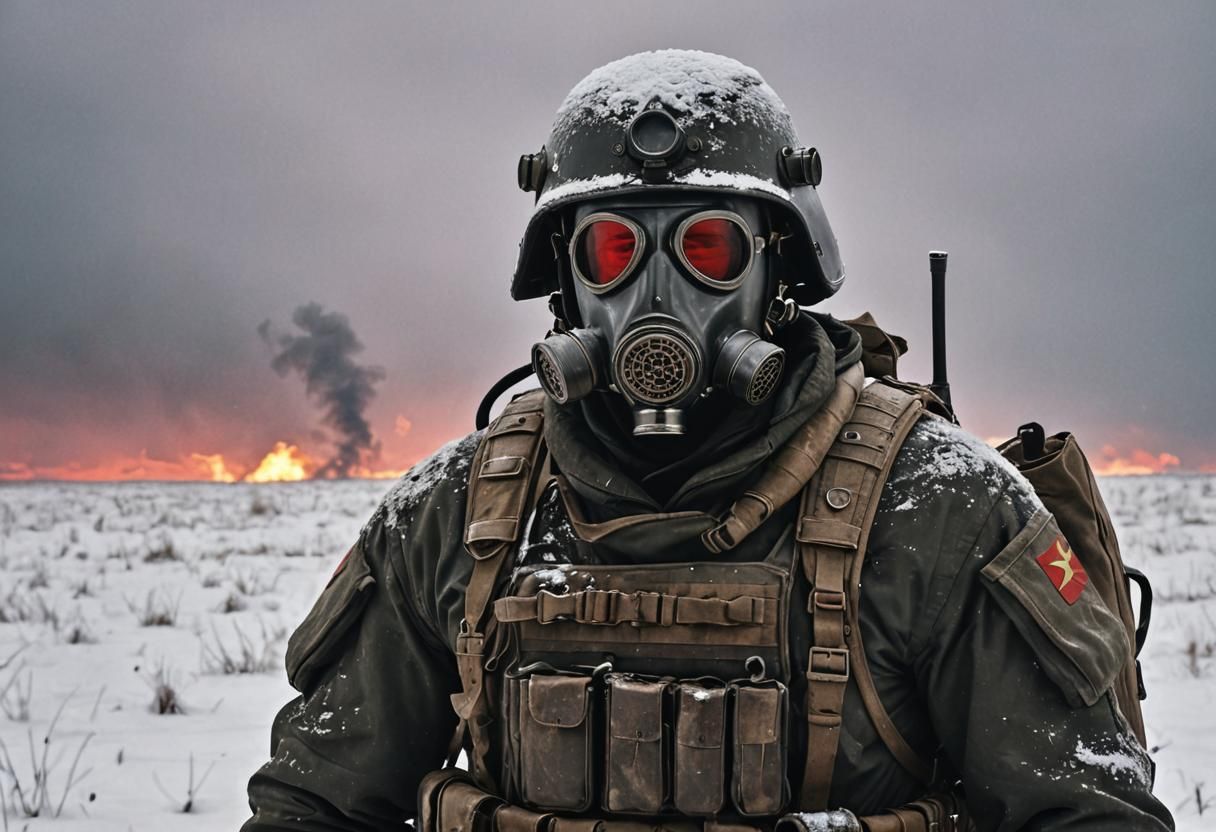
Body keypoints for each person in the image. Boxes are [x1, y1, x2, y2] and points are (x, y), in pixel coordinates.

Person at [243, 50, 1174, 832]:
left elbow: (1087, 817)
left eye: (708, 250)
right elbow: (312, 807)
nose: (657, 299)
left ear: (780, 264)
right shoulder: (455, 512)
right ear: (564, 283)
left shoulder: (939, 510)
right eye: (612, 249)